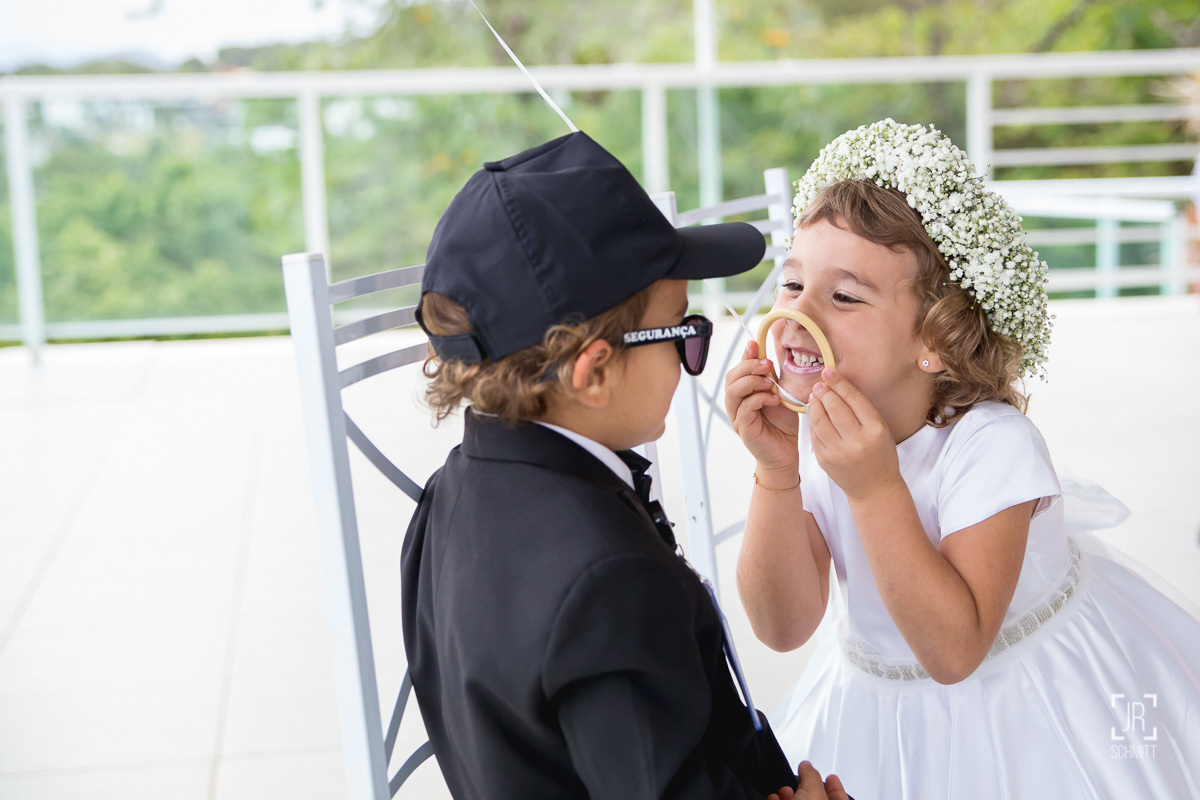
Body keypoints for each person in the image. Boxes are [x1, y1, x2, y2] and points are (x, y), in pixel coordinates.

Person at [726, 119, 1200, 799]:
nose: (802, 314)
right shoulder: (816, 432)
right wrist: (776, 473)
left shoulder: (992, 446)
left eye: (845, 296)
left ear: (937, 340)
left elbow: (955, 652)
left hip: (1022, 710)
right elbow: (782, 627)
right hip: (872, 711)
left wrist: (873, 487)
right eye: (793, 283)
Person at [401, 130, 851, 800]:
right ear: (594, 373)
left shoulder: (448, 493)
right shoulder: (609, 585)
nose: (693, 356)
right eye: (684, 330)